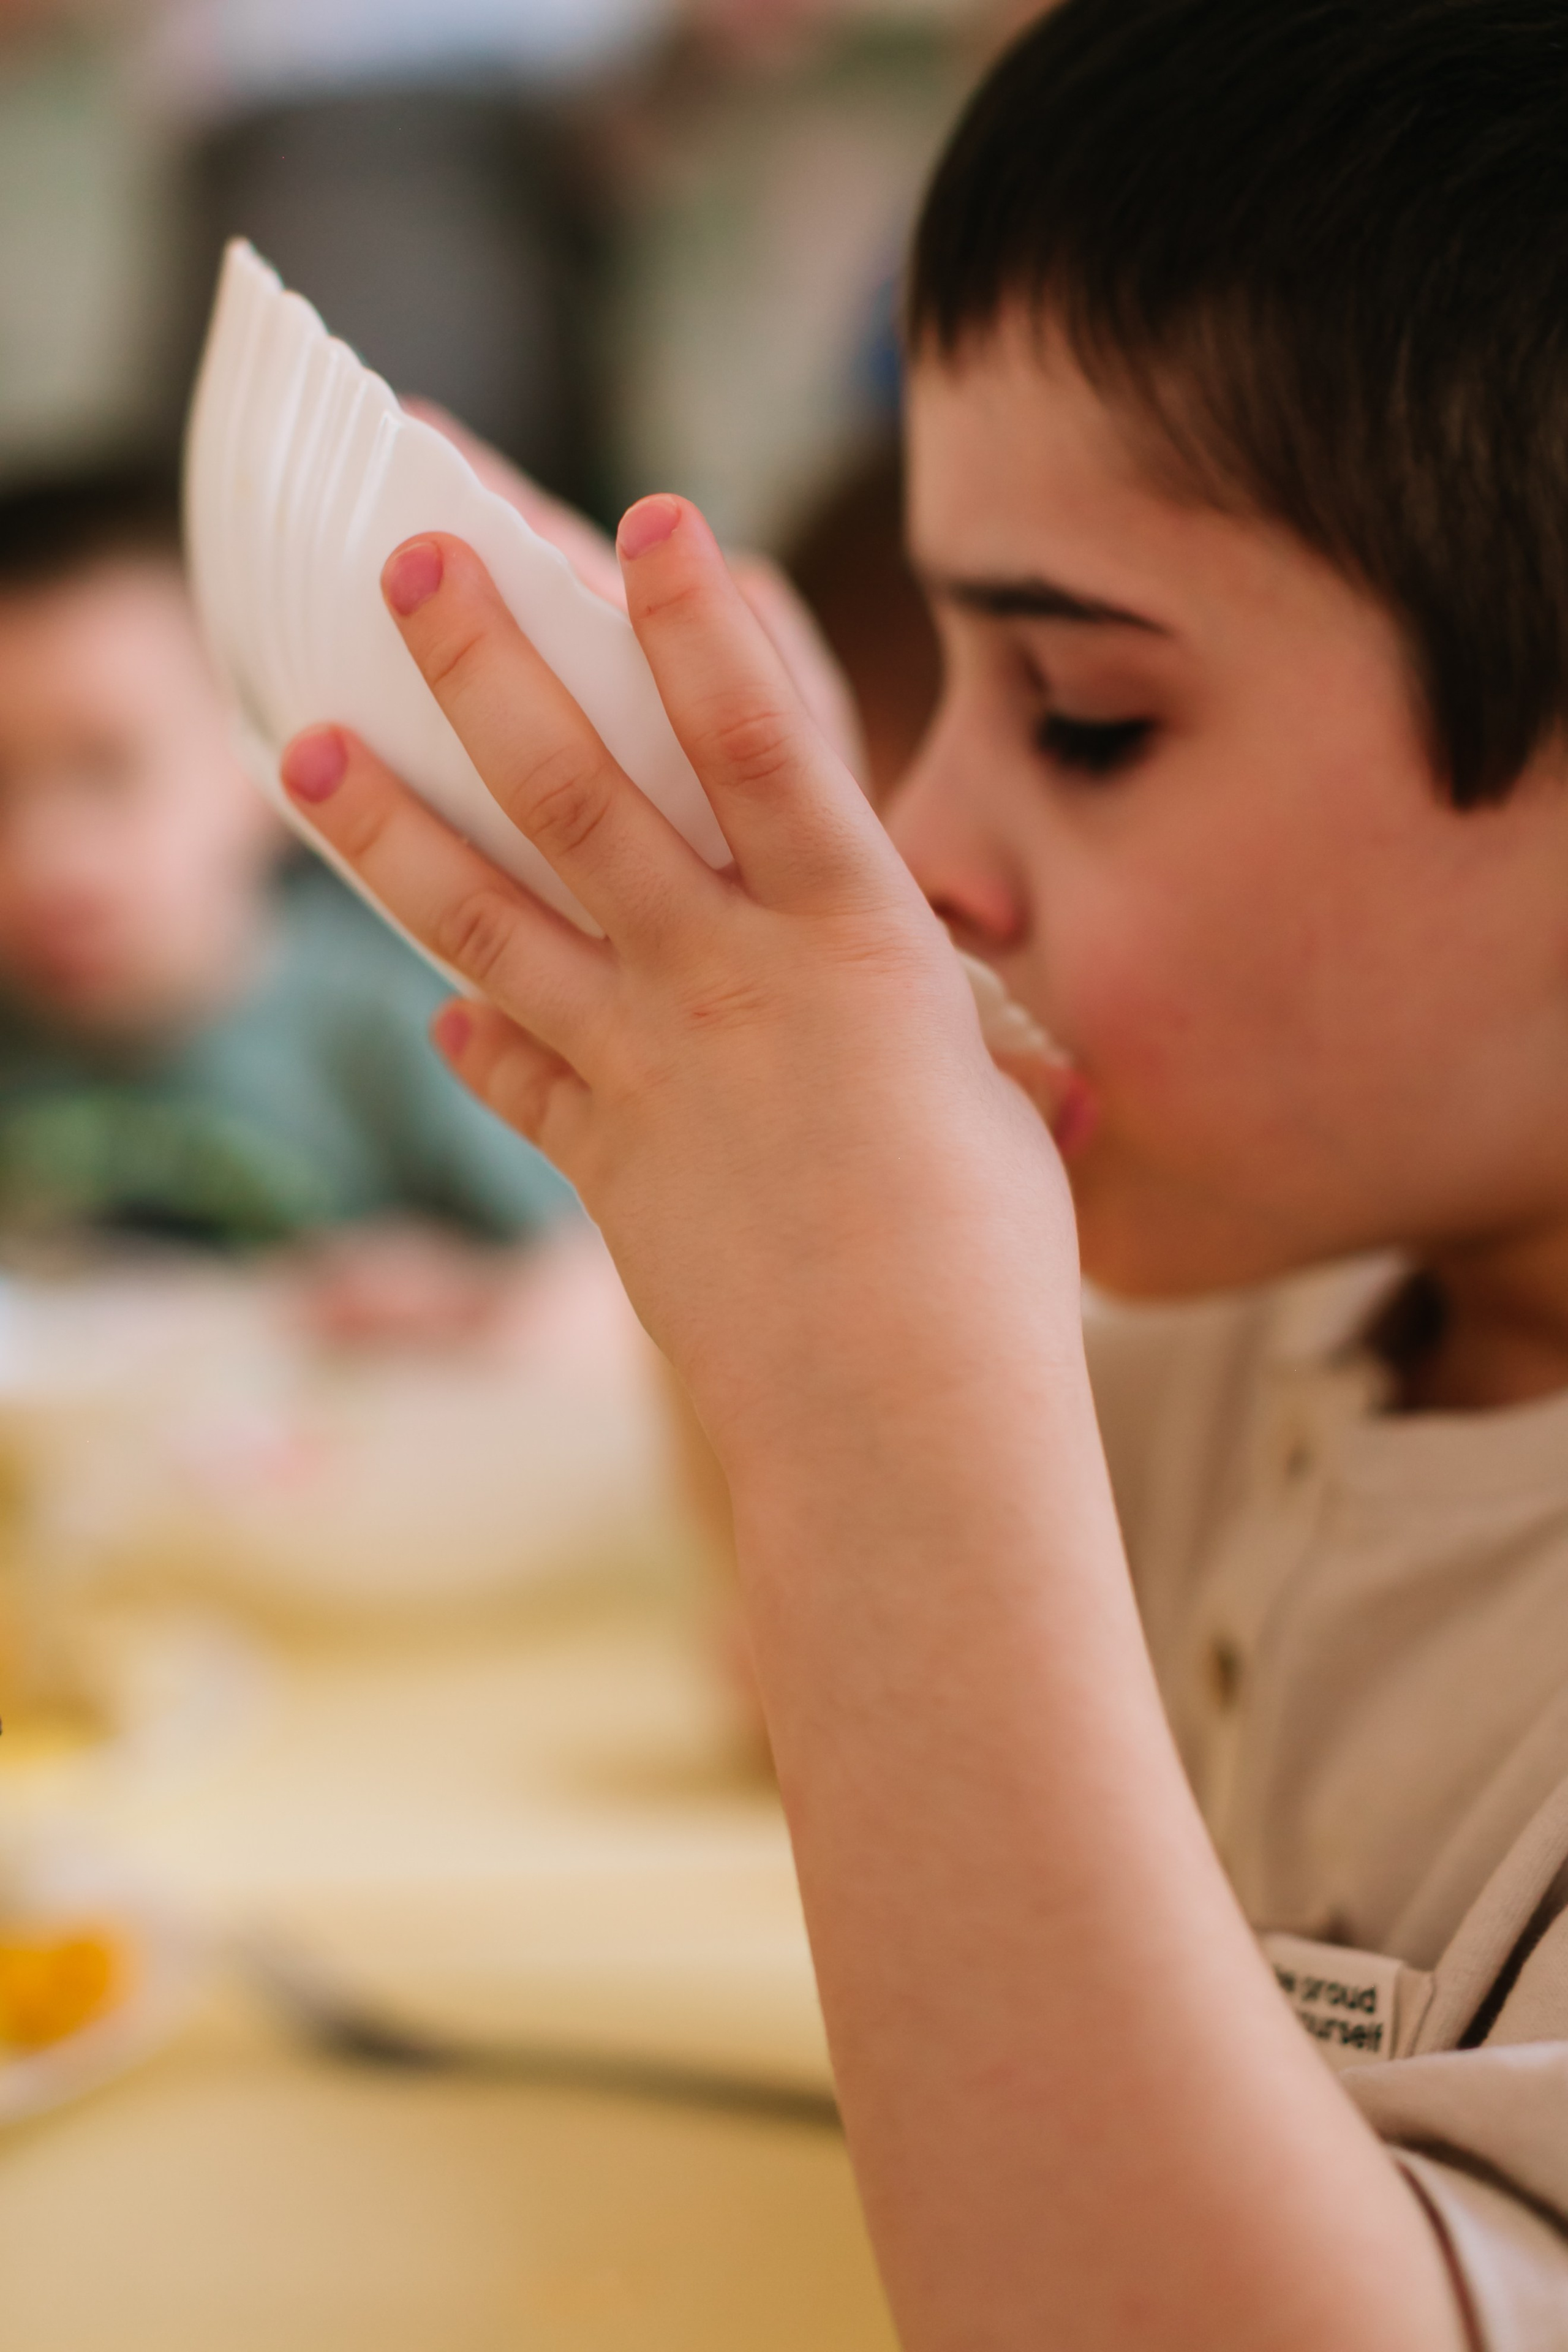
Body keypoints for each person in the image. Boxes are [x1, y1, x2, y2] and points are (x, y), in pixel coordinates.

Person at [271, 2, 1568, 2342]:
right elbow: (839, 1712)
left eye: (1086, 718)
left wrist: (880, 1364)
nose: (930, 842)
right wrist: (737, 1201)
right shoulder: (1290, 1328)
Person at [0, 464, 575, 1306]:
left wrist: (467, 1301)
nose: (50, 853)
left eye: (108, 770)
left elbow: (611, 1299)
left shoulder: (396, 1033)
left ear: (266, 764)